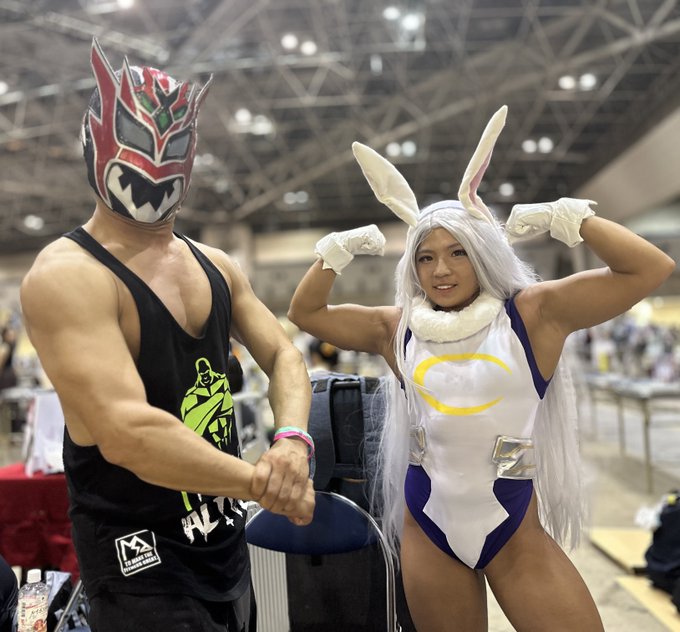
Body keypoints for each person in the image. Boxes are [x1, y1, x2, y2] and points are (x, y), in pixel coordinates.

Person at [288, 105, 675, 631]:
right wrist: (335, 253)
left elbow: (649, 268)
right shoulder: (397, 328)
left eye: (458, 253)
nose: (441, 270)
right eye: (425, 257)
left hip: (513, 533)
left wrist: (570, 218)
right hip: (428, 529)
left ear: (483, 253)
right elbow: (306, 313)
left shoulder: (533, 314)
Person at [20, 39, 314, 632]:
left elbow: (283, 352)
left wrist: (290, 441)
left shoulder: (216, 264)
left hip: (223, 544)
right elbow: (128, 433)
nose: (155, 165)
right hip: (138, 561)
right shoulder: (67, 276)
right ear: (97, 141)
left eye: (172, 147)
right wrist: (262, 483)